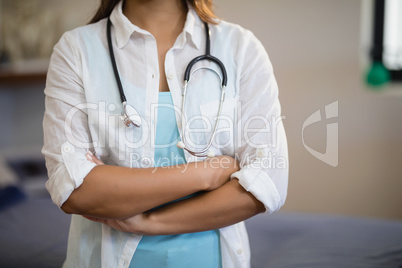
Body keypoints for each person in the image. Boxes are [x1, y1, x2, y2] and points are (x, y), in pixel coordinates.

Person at [42, 0, 289, 267]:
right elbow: (73, 189)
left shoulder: (240, 47)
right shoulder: (76, 50)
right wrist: (208, 173)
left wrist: (150, 222)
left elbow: (267, 183)